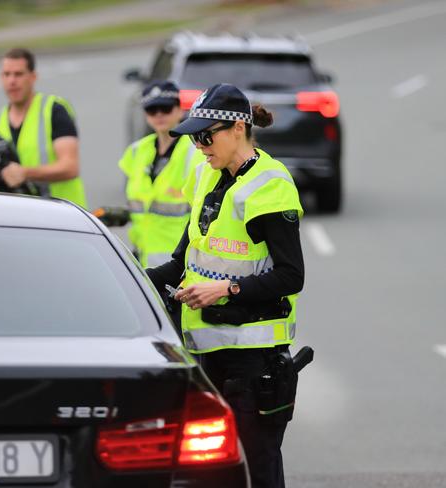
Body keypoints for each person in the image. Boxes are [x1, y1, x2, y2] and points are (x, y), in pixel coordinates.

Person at [146, 83, 304, 488]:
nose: (199, 146)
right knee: (211, 474)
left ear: (237, 129)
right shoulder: (206, 174)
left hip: (254, 361)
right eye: (194, 138)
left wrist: (227, 289)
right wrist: (125, 286)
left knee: (258, 468)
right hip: (206, 357)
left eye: (205, 136)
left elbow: (291, 276)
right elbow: (181, 263)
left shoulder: (270, 184)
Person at [0, 47, 88, 208]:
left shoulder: (53, 110)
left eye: (18, 74)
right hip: (19, 217)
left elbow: (70, 167)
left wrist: (25, 173)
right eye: (6, 74)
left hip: (63, 215)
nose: (12, 81)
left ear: (33, 77)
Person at [118, 81, 204, 268]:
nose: (159, 115)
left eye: (165, 109)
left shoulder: (196, 152)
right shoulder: (136, 151)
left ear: (180, 110)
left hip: (180, 259)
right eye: (152, 110)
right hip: (142, 255)